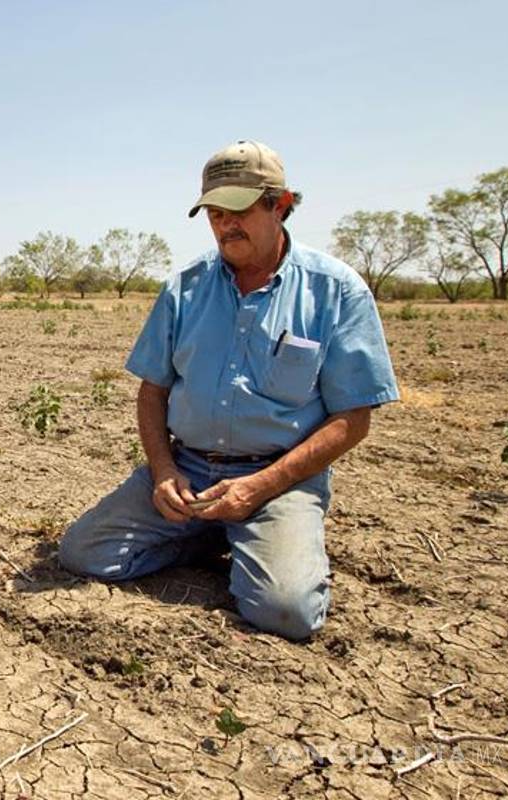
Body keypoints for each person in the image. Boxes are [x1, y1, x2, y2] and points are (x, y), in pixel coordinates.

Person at [58, 140, 398, 641]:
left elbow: (353, 419)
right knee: (83, 553)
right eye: (214, 212)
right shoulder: (185, 288)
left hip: (276, 480)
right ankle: (206, 532)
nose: (225, 225)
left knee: (286, 612)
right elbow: (153, 392)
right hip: (189, 470)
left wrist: (257, 489)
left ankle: (259, 540)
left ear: (280, 206)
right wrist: (163, 471)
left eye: (238, 210)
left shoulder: (336, 290)